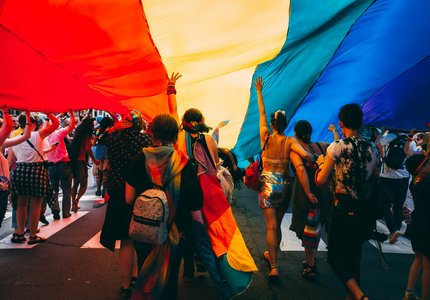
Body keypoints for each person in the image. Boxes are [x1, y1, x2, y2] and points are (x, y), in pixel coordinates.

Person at [125, 113, 204, 299]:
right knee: (169, 277)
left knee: (145, 270)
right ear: (176, 135)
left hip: (144, 229)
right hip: (174, 231)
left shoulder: (141, 157)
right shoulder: (183, 162)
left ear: (152, 133)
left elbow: (129, 198)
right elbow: (195, 205)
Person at [315, 103, 379, 300]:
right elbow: (374, 182)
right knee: (354, 258)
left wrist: (320, 165)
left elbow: (321, 180)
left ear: (341, 123)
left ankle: (359, 295)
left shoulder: (337, 147)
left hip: (342, 208)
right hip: (364, 209)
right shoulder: (373, 149)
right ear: (360, 123)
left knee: (335, 256)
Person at [254, 76, 313, 280]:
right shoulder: (289, 141)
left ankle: (274, 266)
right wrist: (317, 159)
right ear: (286, 124)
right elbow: (306, 155)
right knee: (276, 226)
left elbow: (261, 112)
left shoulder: (265, 136)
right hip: (284, 184)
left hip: (267, 183)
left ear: (272, 123)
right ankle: (272, 256)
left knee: (270, 227)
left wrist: (259, 92)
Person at [100, 110, 152, 298]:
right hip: (140, 192)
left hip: (118, 192)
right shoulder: (145, 141)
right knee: (141, 236)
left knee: (126, 240)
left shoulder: (112, 138)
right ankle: (139, 274)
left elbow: (99, 138)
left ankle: (126, 284)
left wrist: (113, 127)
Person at [10, 112, 59, 244]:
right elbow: (56, 124)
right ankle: (32, 235)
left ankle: (20, 233)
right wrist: (48, 112)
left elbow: (11, 160)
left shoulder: (14, 138)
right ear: (30, 123)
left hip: (20, 171)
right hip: (36, 170)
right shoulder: (38, 135)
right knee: (35, 206)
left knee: (20, 204)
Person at [289, 120, 329, 281]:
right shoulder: (321, 146)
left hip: (305, 193)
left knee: (307, 229)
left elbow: (300, 170)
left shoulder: (296, 151)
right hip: (322, 191)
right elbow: (335, 147)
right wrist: (334, 132)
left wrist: (307, 192)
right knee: (315, 227)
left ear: (296, 134)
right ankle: (310, 258)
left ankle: (311, 266)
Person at [403, 154, 430, 300]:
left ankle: (409, 291)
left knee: (418, 259)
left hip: (417, 222)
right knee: (427, 265)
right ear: (420, 169)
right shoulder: (427, 182)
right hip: (427, 224)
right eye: (427, 164)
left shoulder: (415, 182)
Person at [377, 130, 411, 244]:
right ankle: (395, 232)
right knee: (398, 205)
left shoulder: (389, 136)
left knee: (383, 204)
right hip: (404, 176)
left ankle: (393, 229)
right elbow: (410, 154)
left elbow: (377, 145)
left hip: (387, 176)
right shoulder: (409, 140)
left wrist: (383, 156)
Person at [0, 109, 31, 228]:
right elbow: (8, 126)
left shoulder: (3, 143)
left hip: (3, 187)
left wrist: (27, 118)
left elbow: (26, 136)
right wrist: (5, 110)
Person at [45, 110, 75, 219]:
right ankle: (66, 212)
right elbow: (72, 126)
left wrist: (54, 116)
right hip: (63, 164)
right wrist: (71, 114)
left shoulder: (44, 135)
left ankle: (55, 211)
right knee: (66, 189)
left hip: (51, 166)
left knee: (54, 190)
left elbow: (49, 123)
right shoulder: (60, 132)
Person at [68, 115, 100, 212]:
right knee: (84, 184)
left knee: (75, 183)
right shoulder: (87, 134)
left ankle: (73, 202)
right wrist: (94, 159)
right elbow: (87, 148)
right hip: (81, 161)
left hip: (73, 160)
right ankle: (76, 201)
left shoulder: (78, 131)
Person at [92, 116, 114, 197]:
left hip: (99, 148)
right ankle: (104, 190)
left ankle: (98, 189)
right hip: (108, 148)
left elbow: (94, 141)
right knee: (106, 170)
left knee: (99, 169)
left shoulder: (98, 129)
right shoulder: (111, 130)